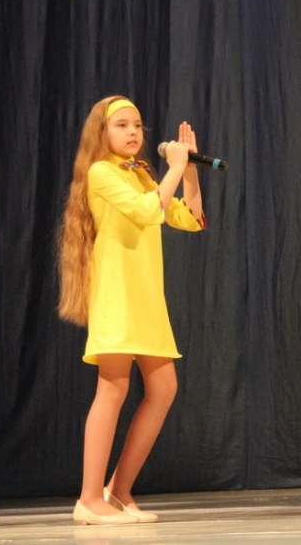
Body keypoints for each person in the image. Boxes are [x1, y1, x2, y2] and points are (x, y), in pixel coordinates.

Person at [57, 96, 205, 525]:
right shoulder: (101, 173)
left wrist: (189, 170)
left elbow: (190, 219)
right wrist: (174, 168)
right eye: (122, 125)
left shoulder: (141, 174)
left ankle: (119, 491)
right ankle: (89, 498)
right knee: (113, 388)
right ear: (101, 132)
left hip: (146, 298)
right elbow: (146, 211)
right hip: (117, 294)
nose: (133, 132)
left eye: (137, 125)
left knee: (164, 388)